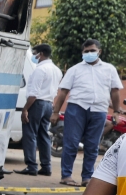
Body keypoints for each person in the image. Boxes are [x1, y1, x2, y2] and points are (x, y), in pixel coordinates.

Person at [51, 39, 123, 186]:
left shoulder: (109, 69)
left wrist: (116, 111)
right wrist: (56, 112)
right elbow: (63, 92)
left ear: (99, 51)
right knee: (71, 143)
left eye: (92, 51)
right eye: (86, 51)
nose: (89, 53)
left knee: (92, 145)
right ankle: (66, 176)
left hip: (99, 110)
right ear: (82, 53)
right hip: (77, 108)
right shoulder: (74, 69)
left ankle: (87, 178)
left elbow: (115, 91)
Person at [16, 43, 63, 177]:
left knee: (29, 134)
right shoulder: (57, 70)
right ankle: (46, 167)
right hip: (49, 104)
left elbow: (34, 94)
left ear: (41, 54)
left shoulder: (40, 70)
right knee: (43, 135)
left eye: (35, 53)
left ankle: (31, 166)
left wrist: (25, 109)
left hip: (37, 103)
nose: (34, 56)